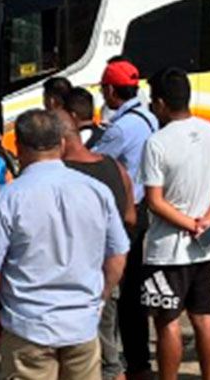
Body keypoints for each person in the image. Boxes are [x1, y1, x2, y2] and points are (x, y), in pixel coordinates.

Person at [0, 109, 130, 380]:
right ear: (63, 143)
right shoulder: (96, 191)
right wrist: (101, 296)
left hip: (28, 327)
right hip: (82, 325)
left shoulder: (9, 198)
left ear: (18, 147)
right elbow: (117, 254)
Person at [140, 68, 210, 380]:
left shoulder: (157, 142)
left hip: (168, 249)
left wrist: (189, 224)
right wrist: (208, 219)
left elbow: (155, 200)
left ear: (161, 103)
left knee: (166, 320)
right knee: (204, 317)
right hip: (204, 248)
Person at [91, 58, 157, 380]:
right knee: (135, 292)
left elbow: (95, 160)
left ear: (111, 89)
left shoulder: (120, 128)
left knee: (118, 291)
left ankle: (119, 363)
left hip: (126, 214)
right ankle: (139, 361)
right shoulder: (148, 116)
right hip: (145, 211)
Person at [59, 109, 135, 380]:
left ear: (60, 141)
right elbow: (130, 216)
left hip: (74, 278)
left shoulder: (63, 174)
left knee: (97, 358)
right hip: (110, 270)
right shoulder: (115, 166)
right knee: (109, 349)